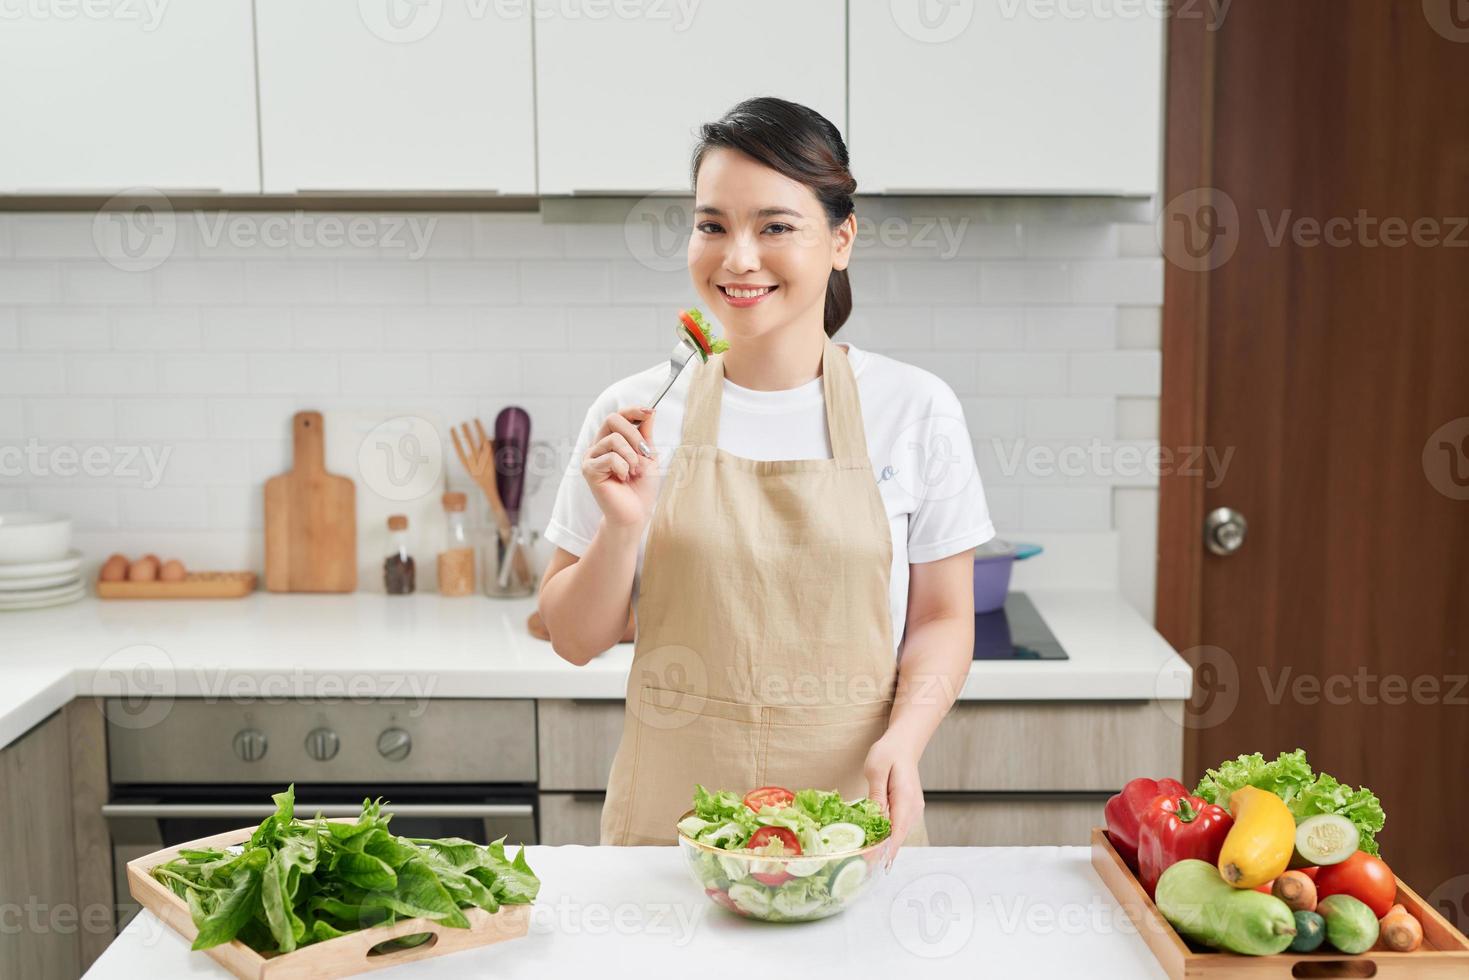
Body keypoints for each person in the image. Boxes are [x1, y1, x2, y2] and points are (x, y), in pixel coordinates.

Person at [538, 96, 994, 856]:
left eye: (775, 226)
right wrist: (621, 527)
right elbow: (573, 640)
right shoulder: (634, 413)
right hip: (672, 841)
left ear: (841, 239)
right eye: (711, 224)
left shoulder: (914, 409)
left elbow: (944, 617)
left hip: (849, 825)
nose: (736, 258)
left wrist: (904, 741)